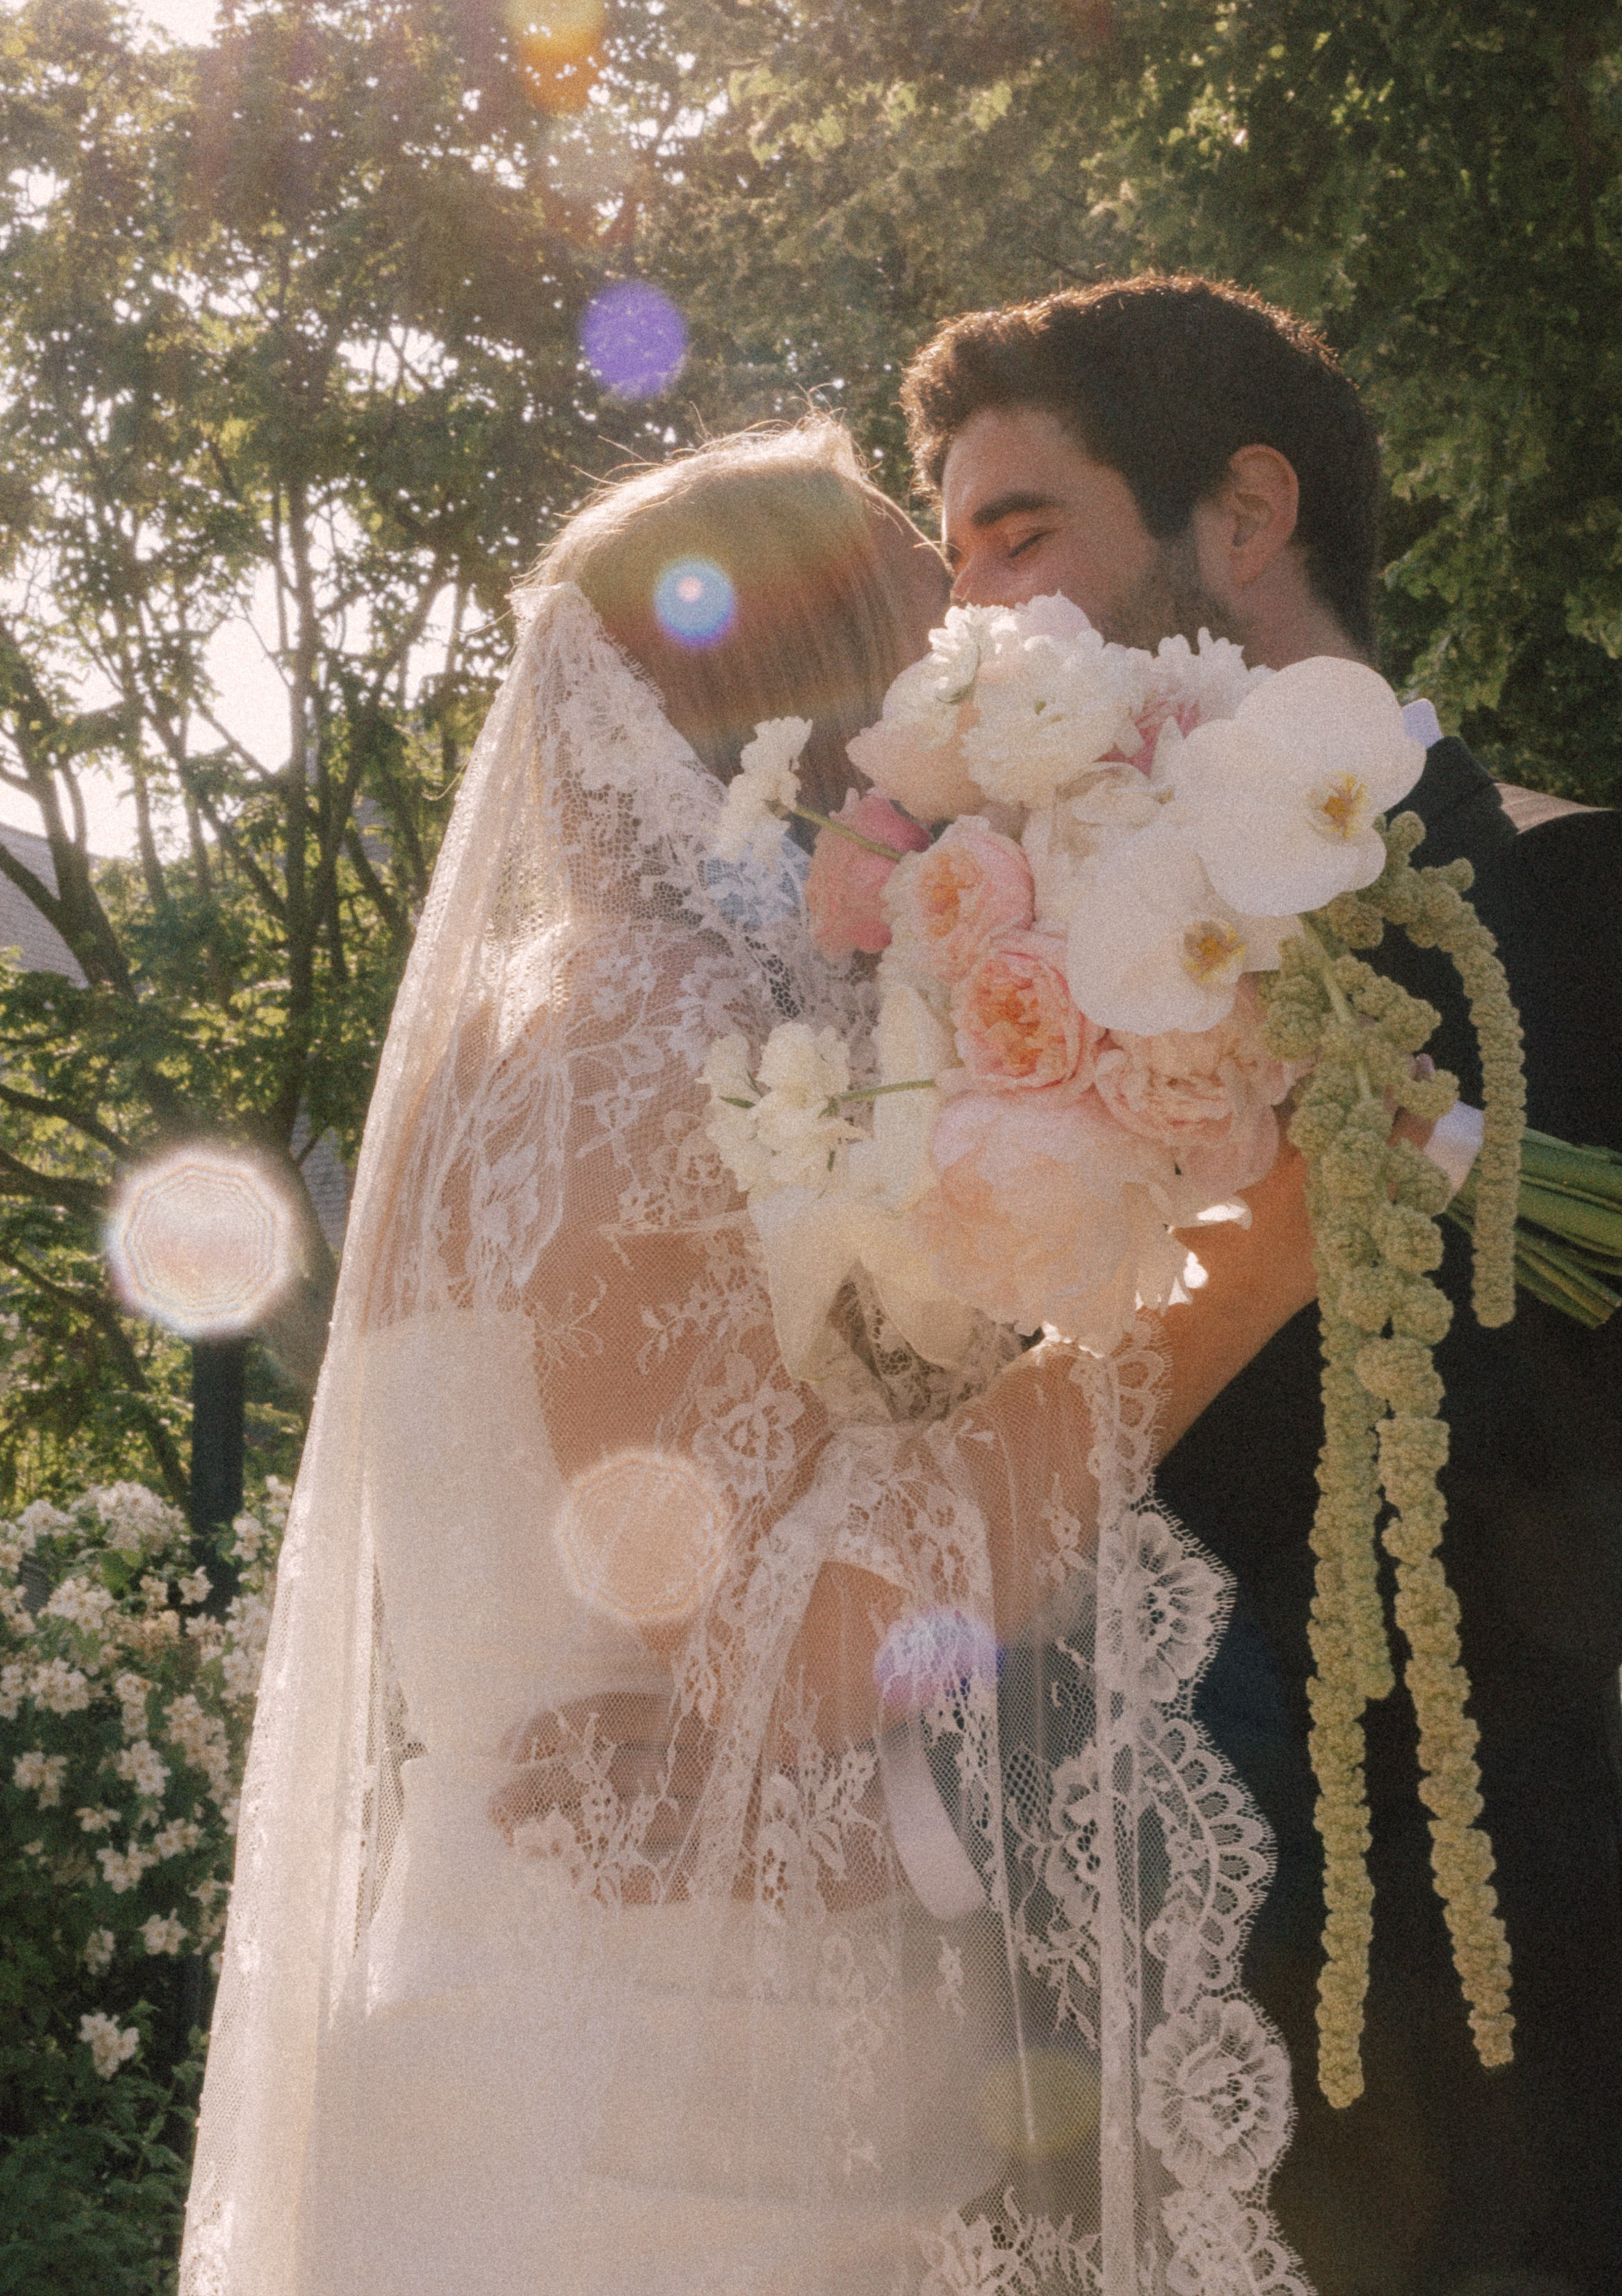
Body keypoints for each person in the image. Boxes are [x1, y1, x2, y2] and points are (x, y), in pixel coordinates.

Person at [179, 417, 1349, 2295]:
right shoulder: (669, 1035)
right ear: (835, 714)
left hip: (520, 2006)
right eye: (932, 640)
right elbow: (776, 1632)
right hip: (693, 2094)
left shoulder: (525, 1042)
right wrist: (1240, 1269)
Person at [902, 274, 1622, 2296]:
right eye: (954, 565)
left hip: (1508, 2048)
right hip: (1095, 2053)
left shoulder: (1580, 899)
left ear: (1242, 514)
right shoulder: (994, 964)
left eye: (1019, 536)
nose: (976, 614)